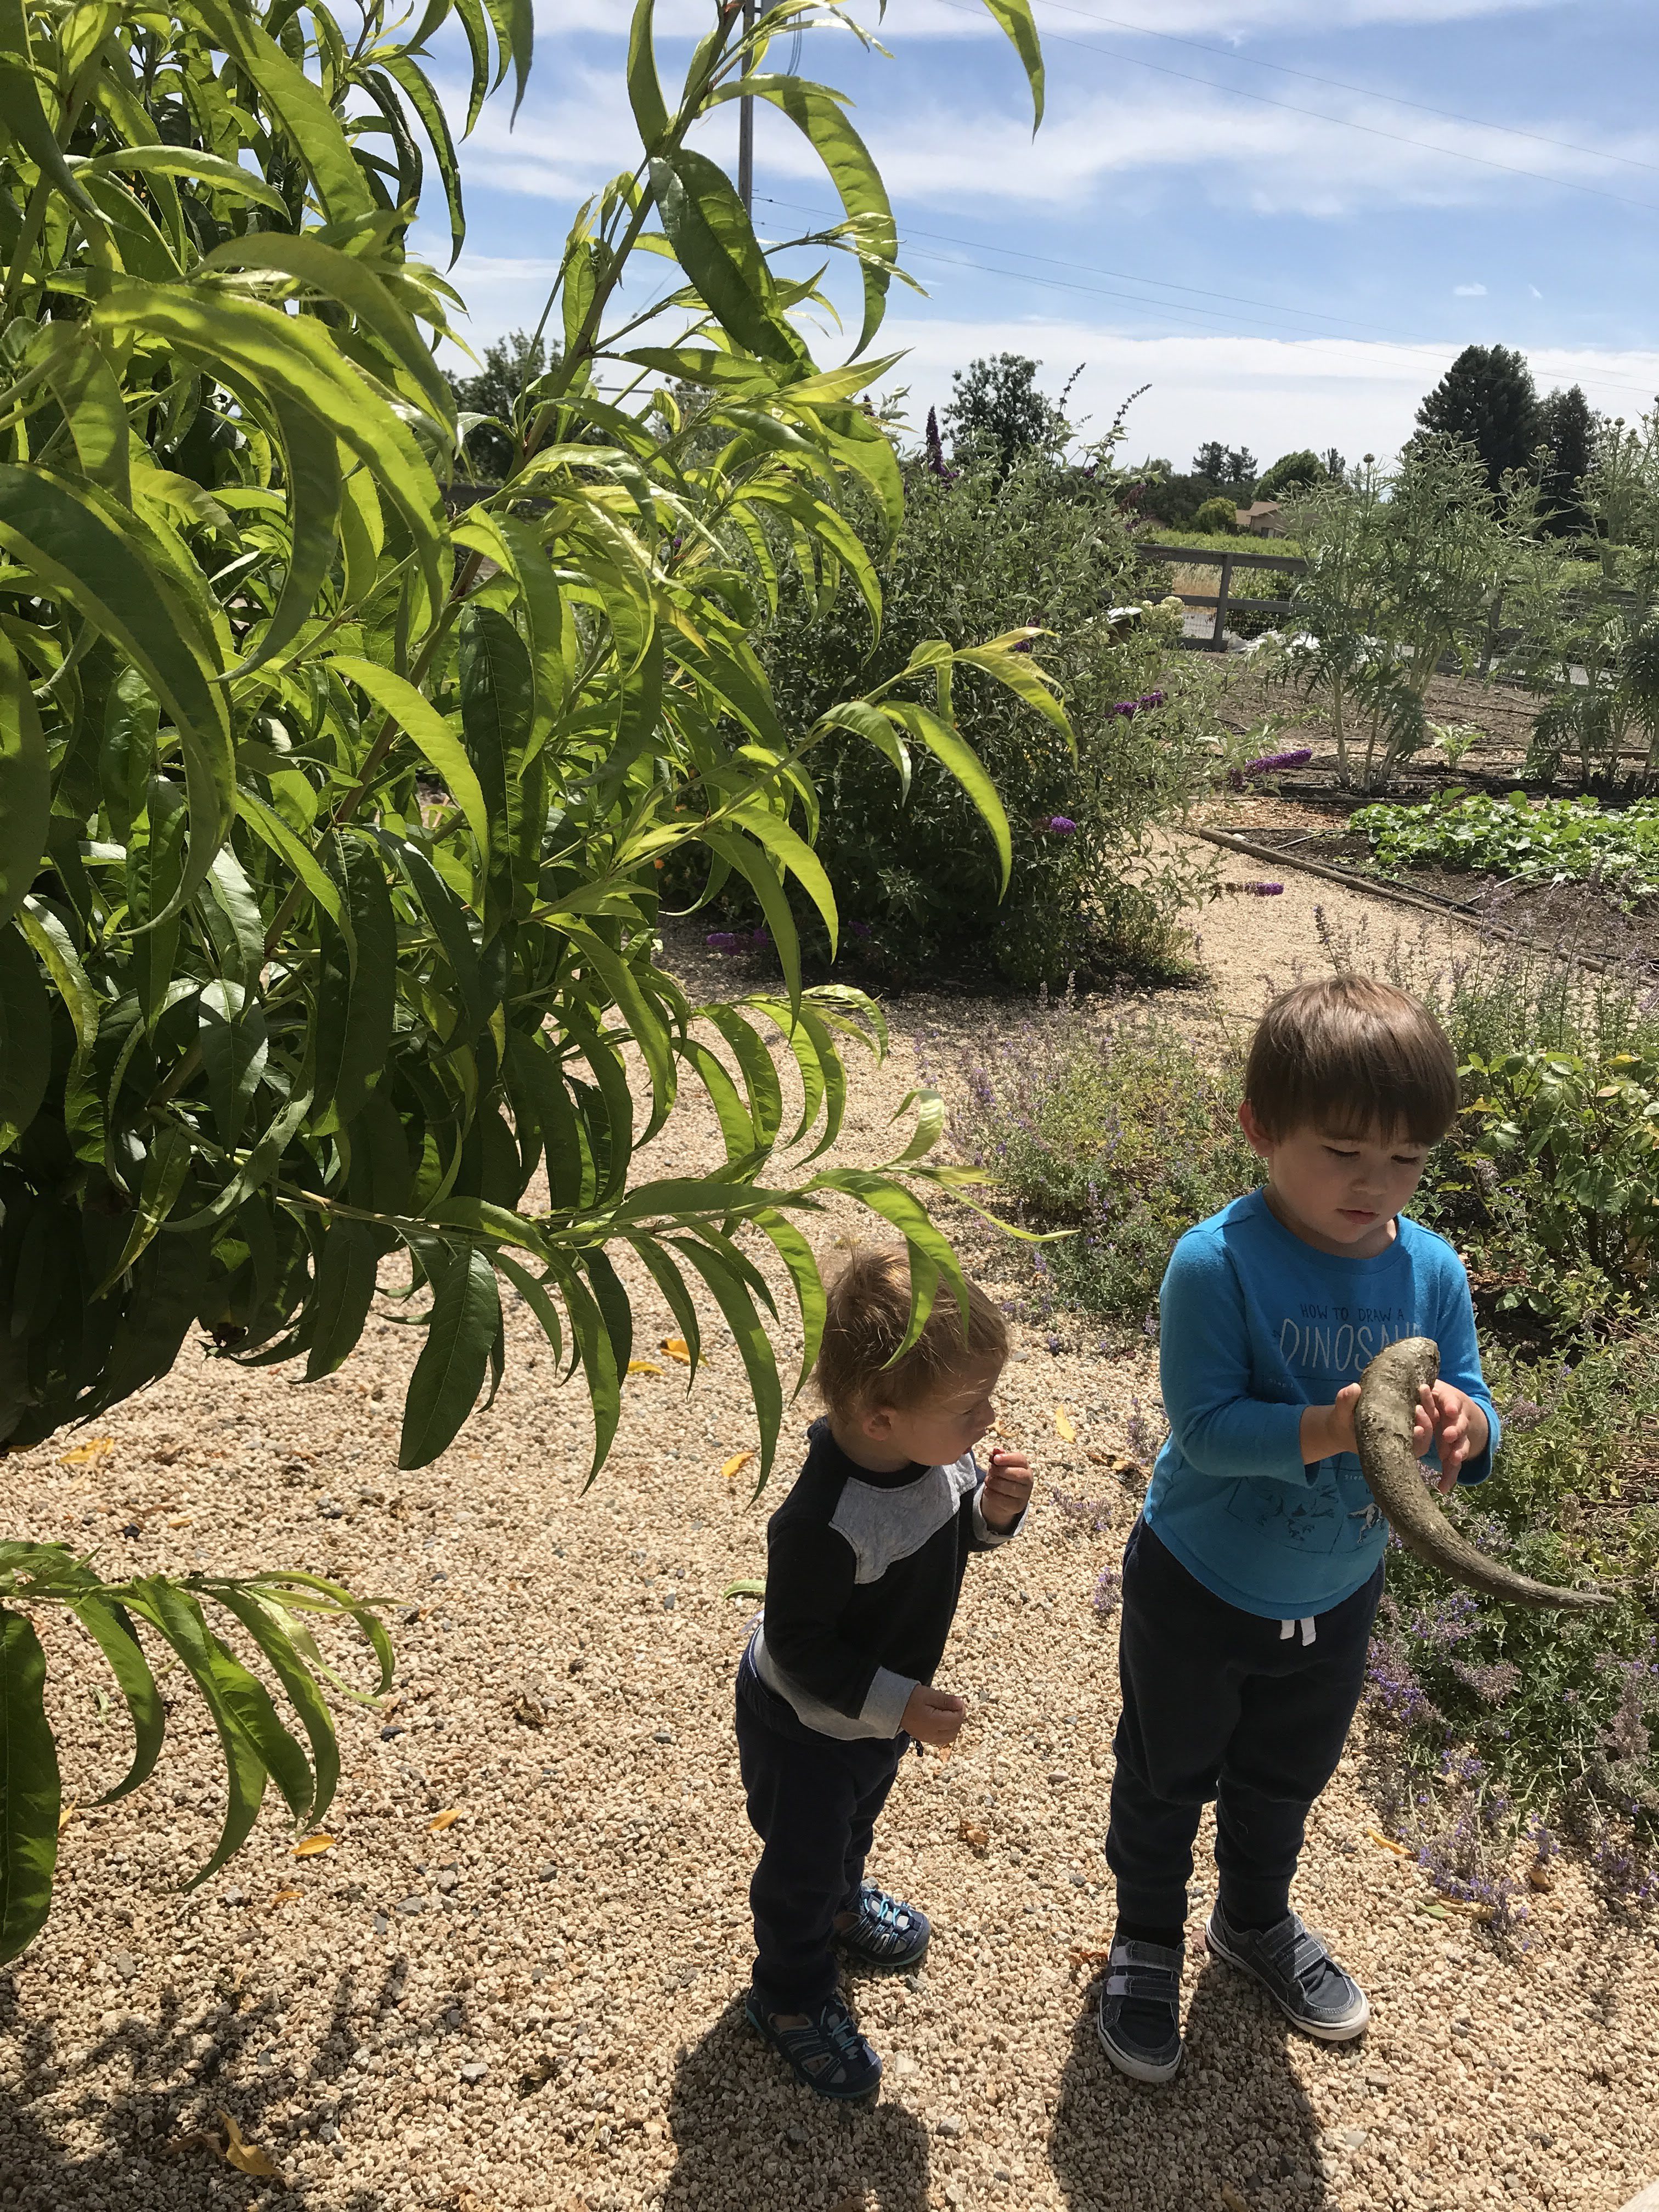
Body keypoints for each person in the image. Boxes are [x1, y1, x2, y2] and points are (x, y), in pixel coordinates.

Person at [1098, 975, 1499, 2084]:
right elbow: (1208, 1430)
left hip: (1336, 1586)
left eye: (1408, 1160)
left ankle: (1255, 1921)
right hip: (1200, 1582)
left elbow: (1469, 1396)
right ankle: (1144, 1939)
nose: (1377, 1186)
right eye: (1344, 1153)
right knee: (1167, 1773)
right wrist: (1333, 1426)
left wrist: (1468, 1429)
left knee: (1287, 1776)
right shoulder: (1217, 1263)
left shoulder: (1430, 1271)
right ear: (1260, 1131)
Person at [736, 1248, 1035, 2102]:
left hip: (872, 1717)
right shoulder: (823, 1522)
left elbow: (940, 1545)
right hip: (807, 1727)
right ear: (878, 1417)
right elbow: (799, 1645)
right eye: (968, 1407)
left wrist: (991, 1514)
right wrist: (899, 1703)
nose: (986, 1419)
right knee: (801, 1860)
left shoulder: (931, 1459)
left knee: (854, 1823)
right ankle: (789, 1997)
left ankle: (843, 1902)